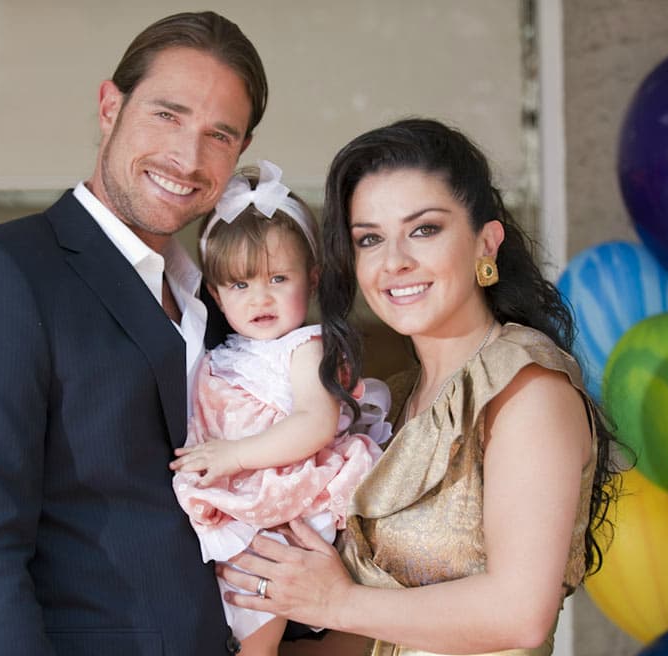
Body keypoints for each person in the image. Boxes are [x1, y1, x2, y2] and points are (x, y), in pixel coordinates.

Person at [0, 12, 268, 655]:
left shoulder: (222, 307)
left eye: (219, 134)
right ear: (109, 106)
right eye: (167, 115)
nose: (187, 156)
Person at [219, 118, 622, 656]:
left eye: (424, 229)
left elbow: (521, 613)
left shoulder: (527, 390)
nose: (394, 262)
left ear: (487, 241)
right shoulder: (397, 400)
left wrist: (331, 601)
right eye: (370, 239)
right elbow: (376, 628)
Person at [169, 160, 389, 656]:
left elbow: (316, 421)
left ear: (311, 280)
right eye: (240, 285)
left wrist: (236, 457)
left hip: (285, 491)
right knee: (227, 593)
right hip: (237, 495)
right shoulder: (220, 356)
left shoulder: (304, 348)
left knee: (257, 588)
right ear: (216, 295)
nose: (260, 297)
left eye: (278, 278)